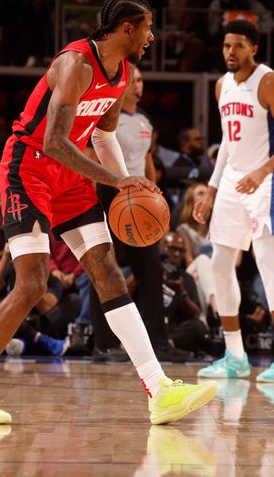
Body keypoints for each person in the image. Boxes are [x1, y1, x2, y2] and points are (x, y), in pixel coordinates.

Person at [0, 0, 216, 425]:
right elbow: (52, 141)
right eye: (147, 28)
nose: (152, 37)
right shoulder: (76, 64)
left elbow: (104, 139)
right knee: (31, 284)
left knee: (106, 269)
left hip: (70, 179)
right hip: (28, 170)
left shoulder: (121, 73)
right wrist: (117, 181)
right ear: (127, 28)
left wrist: (128, 188)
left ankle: (159, 388)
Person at [193, 19, 274, 383]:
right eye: (227, 45)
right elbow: (227, 141)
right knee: (220, 265)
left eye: (239, 45)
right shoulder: (221, 86)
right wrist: (211, 190)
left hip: (269, 178)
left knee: (266, 259)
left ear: (254, 49)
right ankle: (234, 355)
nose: (231, 52)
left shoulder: (270, 82)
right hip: (231, 180)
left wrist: (263, 170)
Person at [91, 64, 190, 362]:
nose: (138, 85)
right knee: (105, 268)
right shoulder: (108, 117)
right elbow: (95, 155)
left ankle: (156, 343)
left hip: (139, 198)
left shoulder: (144, 120)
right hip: (111, 194)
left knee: (152, 270)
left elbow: (147, 161)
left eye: (140, 80)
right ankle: (104, 344)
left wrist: (154, 195)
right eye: (132, 80)